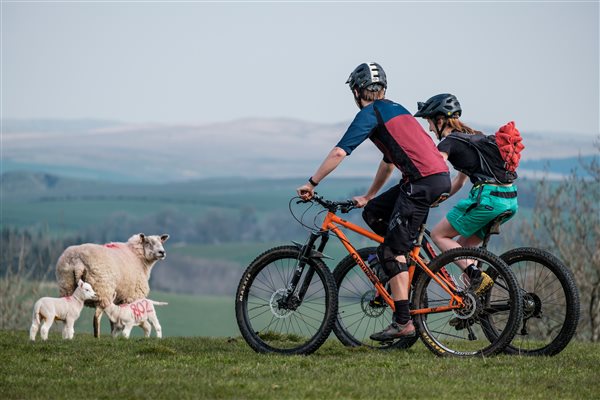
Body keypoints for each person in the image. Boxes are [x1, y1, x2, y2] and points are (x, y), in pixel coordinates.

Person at [296, 62, 451, 341]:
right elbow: (389, 163)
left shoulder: (370, 114)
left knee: (391, 252)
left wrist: (312, 182)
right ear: (383, 88)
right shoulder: (398, 110)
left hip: (421, 182)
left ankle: (403, 320)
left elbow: (340, 152)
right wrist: (369, 196)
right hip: (435, 178)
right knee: (374, 212)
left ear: (357, 91)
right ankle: (402, 266)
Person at [414, 93, 519, 298]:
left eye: (429, 122)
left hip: (487, 198)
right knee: (460, 251)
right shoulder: (474, 137)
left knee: (438, 235)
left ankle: (477, 277)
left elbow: (435, 170)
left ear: (440, 120)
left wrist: (420, 193)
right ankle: (472, 304)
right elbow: (459, 182)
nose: (429, 128)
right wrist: (437, 200)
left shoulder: (448, 143)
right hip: (509, 199)